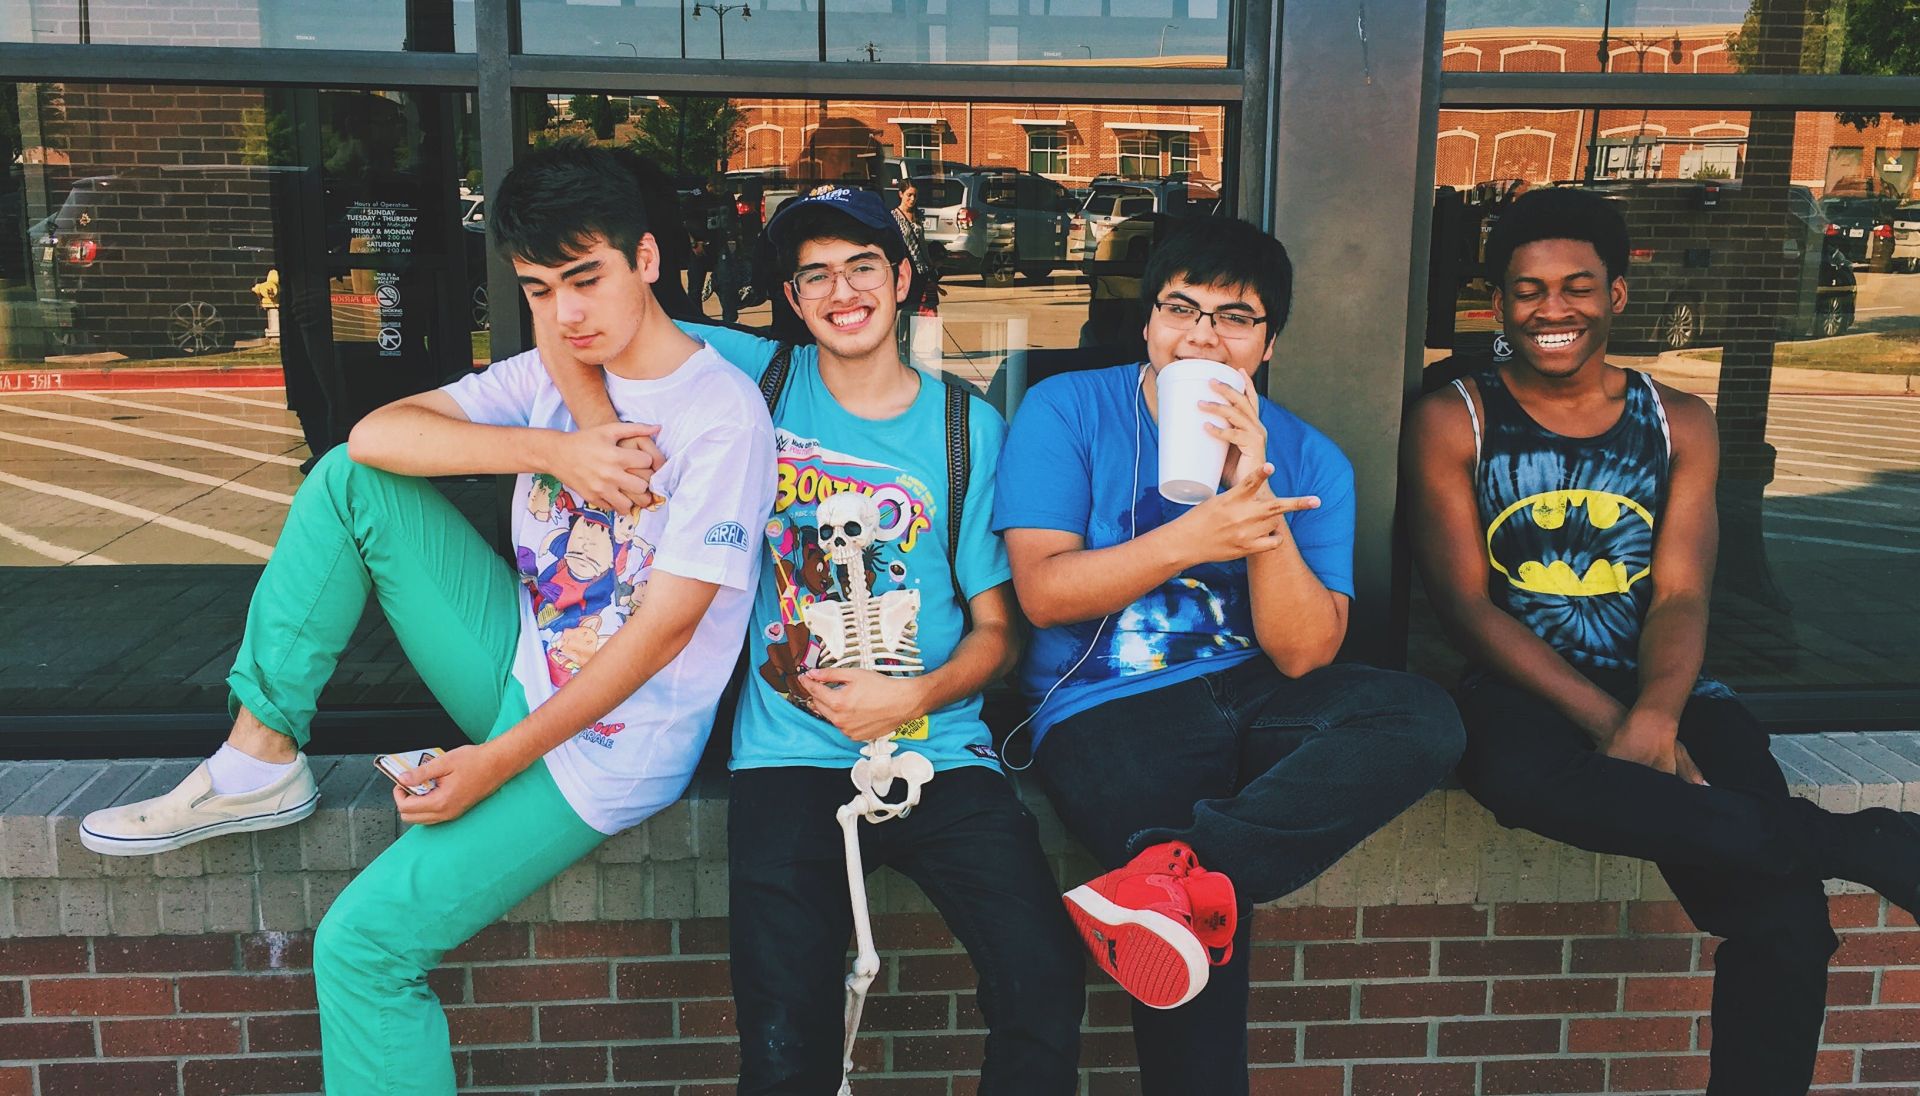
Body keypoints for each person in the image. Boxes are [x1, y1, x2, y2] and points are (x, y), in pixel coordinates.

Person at [78, 142, 776, 1096]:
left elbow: (662, 638)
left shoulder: (721, 416)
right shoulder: (549, 373)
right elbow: (372, 434)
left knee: (361, 948)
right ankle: (259, 758)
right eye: (537, 289)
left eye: (586, 280)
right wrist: (555, 450)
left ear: (645, 260)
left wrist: (493, 762)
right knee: (349, 480)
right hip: (516, 663)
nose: (566, 313)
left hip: (610, 745)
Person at [544, 183, 1085, 1094]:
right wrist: (598, 436)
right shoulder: (744, 376)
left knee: (1041, 982)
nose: (843, 291)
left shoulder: (966, 428)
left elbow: (998, 627)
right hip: (787, 756)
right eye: (816, 275)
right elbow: (576, 333)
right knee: (784, 1031)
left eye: (863, 265)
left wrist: (915, 695)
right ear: (793, 301)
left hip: (938, 748)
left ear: (904, 277)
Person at [1401, 186, 1920, 1096]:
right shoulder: (1457, 418)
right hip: (1515, 687)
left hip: (1669, 683)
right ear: (1498, 304)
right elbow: (1467, 609)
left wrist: (1658, 712)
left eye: (1576, 286)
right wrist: (1616, 724)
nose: (1551, 309)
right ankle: (1862, 840)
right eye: (1527, 290)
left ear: (1617, 296)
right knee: (1521, 778)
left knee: (1786, 923)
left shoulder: (1678, 420)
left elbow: (1681, 592)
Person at [993, 215, 1465, 1095]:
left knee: (1419, 716)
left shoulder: (1307, 452)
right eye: (1183, 308)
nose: (1204, 334)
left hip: (1246, 689)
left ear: (1267, 342)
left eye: (1235, 317)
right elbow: (1043, 594)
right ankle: (1185, 883)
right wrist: (1192, 536)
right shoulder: (1070, 409)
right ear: (1149, 324)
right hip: (1102, 704)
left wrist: (1258, 511)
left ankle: (1171, 884)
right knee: (1205, 945)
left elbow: (1305, 657)